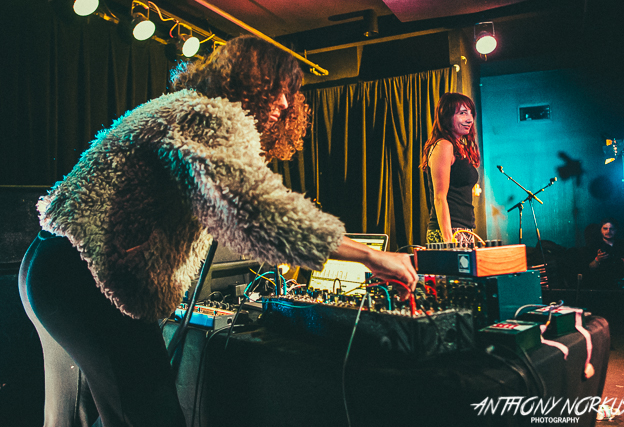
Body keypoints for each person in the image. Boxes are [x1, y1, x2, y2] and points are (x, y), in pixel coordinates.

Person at [19, 35, 417, 427]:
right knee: (151, 416)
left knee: (76, 415)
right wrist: (371, 255)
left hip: (49, 265)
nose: (284, 103)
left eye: (289, 94)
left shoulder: (179, 107)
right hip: (87, 277)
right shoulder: (210, 115)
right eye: (277, 89)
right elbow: (256, 209)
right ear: (246, 81)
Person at [420, 93, 480, 245]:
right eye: (462, 113)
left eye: (470, 113)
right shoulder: (444, 145)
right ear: (446, 116)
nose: (469, 119)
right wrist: (449, 241)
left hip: (463, 230)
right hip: (448, 231)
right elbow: (439, 198)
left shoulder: (459, 147)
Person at [584, 218, 624, 289]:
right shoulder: (594, 245)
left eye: (611, 229)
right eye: (605, 228)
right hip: (600, 284)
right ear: (600, 230)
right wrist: (597, 259)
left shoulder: (623, 245)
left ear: (616, 230)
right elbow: (588, 269)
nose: (608, 231)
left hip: (620, 284)